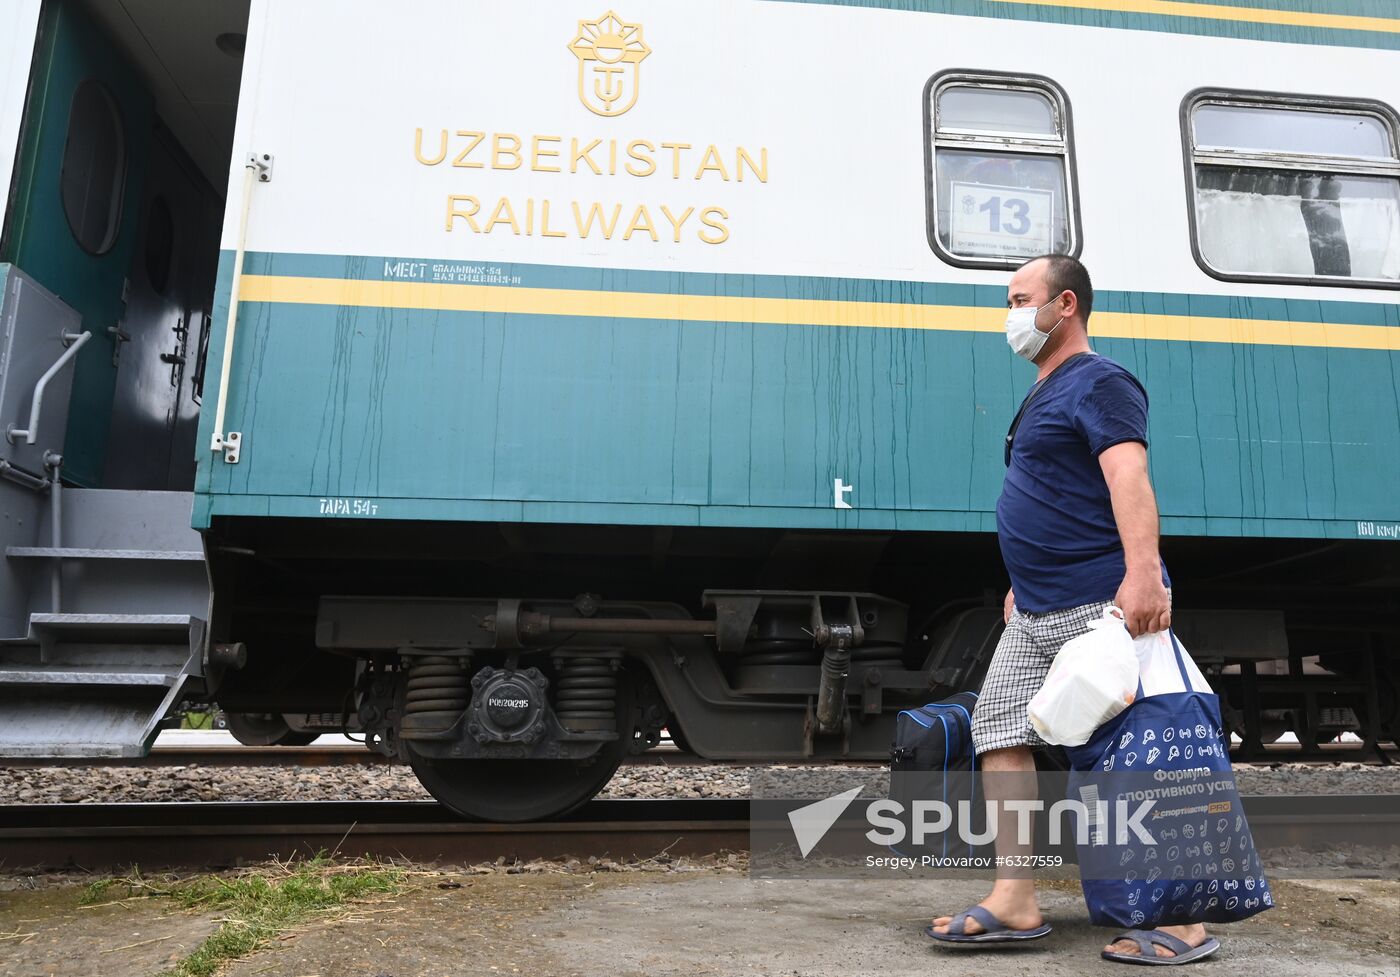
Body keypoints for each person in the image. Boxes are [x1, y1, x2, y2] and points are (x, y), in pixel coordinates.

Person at [925, 254, 1219, 965]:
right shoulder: (1045, 388)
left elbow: (1128, 475)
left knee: (1142, 753)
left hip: (1102, 602)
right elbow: (1055, 490)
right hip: (1033, 610)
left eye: (1020, 298)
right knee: (996, 727)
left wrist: (1144, 572)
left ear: (1064, 304)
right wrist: (1022, 578)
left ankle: (1182, 921)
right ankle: (1015, 898)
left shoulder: (1101, 381)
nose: (1011, 314)